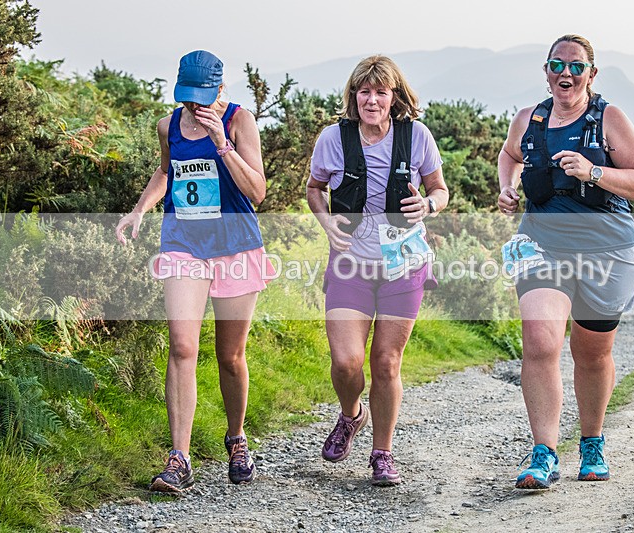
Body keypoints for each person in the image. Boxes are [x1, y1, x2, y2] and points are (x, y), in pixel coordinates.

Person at [497, 35, 634, 490]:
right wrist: (508, 188)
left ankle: (592, 442)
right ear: (545, 70)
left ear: (591, 73)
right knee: (541, 340)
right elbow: (509, 156)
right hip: (542, 242)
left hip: (607, 250)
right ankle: (543, 454)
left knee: (592, 351)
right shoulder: (529, 119)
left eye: (576, 66)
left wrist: (594, 172)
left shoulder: (609, 118)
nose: (565, 73)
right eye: (556, 64)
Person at [115, 50, 273, 492]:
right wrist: (140, 211)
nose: (193, 106)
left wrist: (221, 141)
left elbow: (257, 192)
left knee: (230, 356)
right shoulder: (168, 125)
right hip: (184, 244)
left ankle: (236, 437)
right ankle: (179, 458)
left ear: (220, 90)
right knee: (182, 345)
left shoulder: (240, 121)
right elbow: (165, 173)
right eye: (187, 97)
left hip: (236, 245)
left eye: (202, 96)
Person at [306, 55, 449, 486]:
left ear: (394, 97)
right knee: (346, 361)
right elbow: (315, 188)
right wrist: (325, 220)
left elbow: (439, 190)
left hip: (403, 261)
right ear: (354, 97)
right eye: (363, 92)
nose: (371, 100)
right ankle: (352, 414)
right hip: (350, 261)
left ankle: (382, 454)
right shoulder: (333, 139)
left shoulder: (416, 136)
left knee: (386, 362)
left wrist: (427, 205)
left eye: (380, 92)